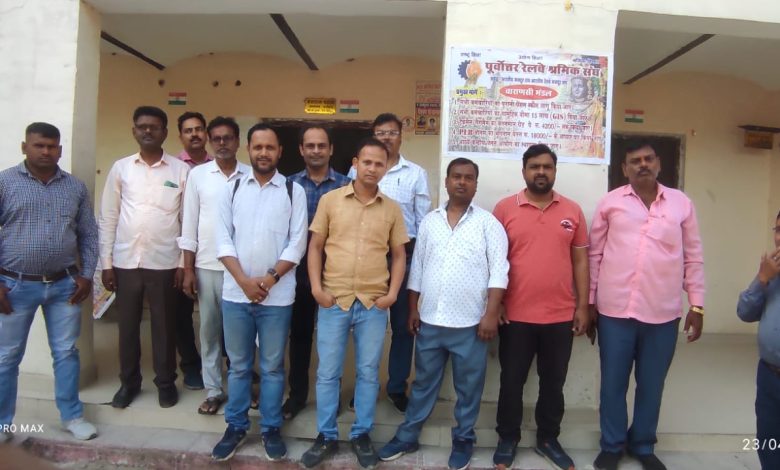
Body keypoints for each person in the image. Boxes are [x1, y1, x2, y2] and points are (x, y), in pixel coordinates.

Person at [378, 158, 508, 470]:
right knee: (423, 382)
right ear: (447, 182)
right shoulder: (429, 222)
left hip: (471, 324)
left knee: (468, 387)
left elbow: (499, 271)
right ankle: (408, 434)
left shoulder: (489, 224)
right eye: (456, 177)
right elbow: (418, 268)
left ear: (475, 184)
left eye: (468, 178)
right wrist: (413, 308)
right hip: (430, 321)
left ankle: (463, 438)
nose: (462, 182)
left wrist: (491, 314)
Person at [589, 138, 705, 470]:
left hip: (663, 314)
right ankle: (612, 445)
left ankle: (642, 444)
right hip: (614, 312)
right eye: (635, 161)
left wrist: (697, 304)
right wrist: (590, 303)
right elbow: (594, 255)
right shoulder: (610, 203)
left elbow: (694, 257)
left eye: (648, 159)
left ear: (658, 164)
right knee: (613, 383)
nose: (643, 165)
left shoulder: (681, 204)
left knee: (652, 385)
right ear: (624, 168)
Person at [301, 138, 408, 469]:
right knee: (328, 372)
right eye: (367, 162)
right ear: (355, 163)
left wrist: (392, 294)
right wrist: (316, 289)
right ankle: (326, 435)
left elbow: (399, 255)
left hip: (373, 304)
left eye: (379, 164)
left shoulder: (391, 208)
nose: (372, 168)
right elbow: (315, 247)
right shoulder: (331, 201)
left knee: (368, 373)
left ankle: (362, 434)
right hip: (334, 300)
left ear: (386, 168)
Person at [210, 123, 307, 462]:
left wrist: (268, 279)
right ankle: (235, 426)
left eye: (270, 147)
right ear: (248, 150)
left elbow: (297, 243)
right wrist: (244, 281)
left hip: (277, 298)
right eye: (258, 147)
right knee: (238, 366)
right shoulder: (232, 189)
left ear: (280, 152)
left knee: (272, 367)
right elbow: (222, 240)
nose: (263, 153)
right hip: (236, 296)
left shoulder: (293, 191)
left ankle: (270, 428)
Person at [490, 144, 589, 470]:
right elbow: (492, 259)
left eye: (547, 166)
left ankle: (548, 439)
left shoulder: (572, 210)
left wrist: (583, 306)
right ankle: (507, 438)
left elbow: (580, 261)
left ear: (555, 171)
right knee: (511, 381)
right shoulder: (504, 209)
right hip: (514, 315)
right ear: (524, 172)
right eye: (535, 166)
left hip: (560, 315)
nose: (541, 172)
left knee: (553, 383)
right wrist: (495, 303)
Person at [0, 122, 99, 443]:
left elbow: (89, 235)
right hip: (14, 286)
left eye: (52, 146)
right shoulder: (5, 182)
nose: (46, 151)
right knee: (6, 357)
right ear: (24, 147)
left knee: (66, 352)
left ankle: (72, 417)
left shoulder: (75, 187)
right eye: (39, 145)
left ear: (60, 149)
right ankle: (2, 423)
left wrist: (86, 275)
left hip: (64, 286)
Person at [99, 106, 190, 409]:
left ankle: (166, 383)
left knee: (164, 327)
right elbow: (109, 217)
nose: (148, 131)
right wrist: (106, 263)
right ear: (134, 131)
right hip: (126, 262)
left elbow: (187, 221)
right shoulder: (121, 168)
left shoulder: (180, 171)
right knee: (127, 328)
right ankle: (129, 383)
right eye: (142, 126)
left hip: (165, 263)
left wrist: (182, 264)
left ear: (165, 132)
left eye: (154, 126)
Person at [347, 113, 430, 413]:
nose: (386, 137)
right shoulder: (357, 169)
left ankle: (396, 387)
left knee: (403, 328)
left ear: (401, 136)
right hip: (366, 258)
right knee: (364, 327)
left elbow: (423, 222)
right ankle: (363, 388)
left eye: (392, 132)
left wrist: (418, 265)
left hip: (403, 258)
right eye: (380, 132)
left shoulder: (416, 174)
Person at [178, 116, 250, 415]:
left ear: (237, 142)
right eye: (217, 138)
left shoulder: (250, 175)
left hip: (243, 270)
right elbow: (189, 223)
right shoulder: (198, 175)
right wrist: (188, 269)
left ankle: (242, 387)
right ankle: (213, 389)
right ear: (210, 141)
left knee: (242, 333)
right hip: (208, 265)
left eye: (228, 138)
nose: (222, 143)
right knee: (209, 331)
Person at [283, 124, 349, 420]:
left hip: (335, 274)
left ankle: (330, 398)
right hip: (297, 274)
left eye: (321, 145)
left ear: (331, 149)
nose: (316, 150)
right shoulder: (288, 185)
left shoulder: (347, 186)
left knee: (333, 340)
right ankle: (297, 396)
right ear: (301, 150)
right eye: (310, 145)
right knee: (299, 337)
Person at [737, 210, 780, 470]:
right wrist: (762, 279)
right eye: (778, 230)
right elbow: (744, 312)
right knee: (768, 443)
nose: (779, 238)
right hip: (769, 375)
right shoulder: (771, 272)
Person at [174, 111, 210, 391]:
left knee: (221, 314)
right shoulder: (173, 168)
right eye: (189, 130)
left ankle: (232, 363)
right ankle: (190, 366)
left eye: (199, 129)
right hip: (179, 255)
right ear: (181, 136)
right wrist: (182, 263)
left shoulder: (217, 166)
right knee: (182, 315)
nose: (194, 134)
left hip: (212, 254)